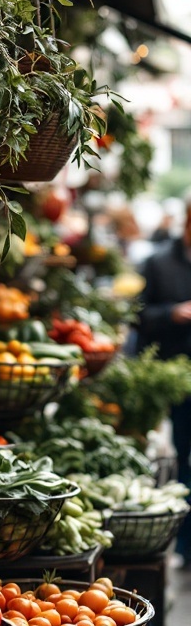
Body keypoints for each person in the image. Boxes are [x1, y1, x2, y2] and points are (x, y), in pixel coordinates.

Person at [139, 197, 191, 564]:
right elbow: (139, 316)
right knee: (183, 457)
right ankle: (185, 546)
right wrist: (172, 313)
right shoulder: (158, 262)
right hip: (176, 375)